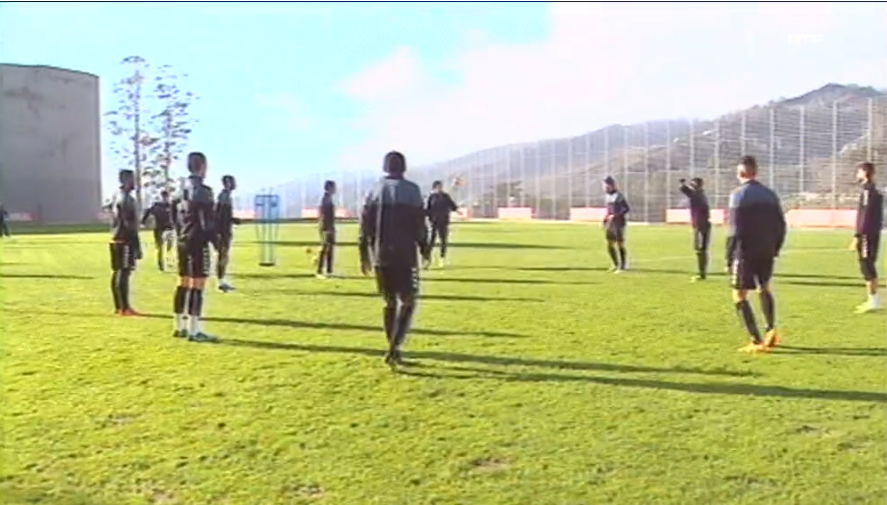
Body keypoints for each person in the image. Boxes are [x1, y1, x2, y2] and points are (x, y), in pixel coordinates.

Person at [359, 151, 431, 368]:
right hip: (405, 255)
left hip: (381, 255)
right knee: (408, 300)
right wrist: (425, 249)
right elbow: (420, 224)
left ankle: (392, 347)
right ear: (404, 167)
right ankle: (394, 347)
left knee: (389, 301)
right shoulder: (412, 191)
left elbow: (365, 226)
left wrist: (364, 254)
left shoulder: (373, 191)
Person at [726, 155, 786, 353]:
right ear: (756, 172)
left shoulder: (738, 195)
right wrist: (775, 248)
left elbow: (734, 230)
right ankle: (771, 329)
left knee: (739, 294)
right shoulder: (770, 194)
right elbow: (781, 225)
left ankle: (755, 340)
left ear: (741, 173)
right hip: (767, 249)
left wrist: (729, 256)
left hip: (744, 251)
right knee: (764, 287)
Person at [173, 152, 218, 342]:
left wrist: (180, 233)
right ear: (202, 167)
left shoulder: (179, 189)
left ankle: (179, 326)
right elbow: (207, 222)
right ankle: (194, 330)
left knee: (183, 282)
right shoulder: (204, 191)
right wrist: (217, 243)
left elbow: (172, 216)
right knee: (198, 284)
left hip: (182, 240)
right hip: (198, 241)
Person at [109, 170, 141, 316]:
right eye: (133, 179)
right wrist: (136, 245)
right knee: (124, 272)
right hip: (125, 239)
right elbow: (130, 224)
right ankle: (125, 307)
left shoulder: (116, 196)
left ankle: (118, 306)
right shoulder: (127, 199)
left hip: (115, 238)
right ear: (127, 180)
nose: (135, 182)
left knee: (117, 271)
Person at [852, 162, 883, 314]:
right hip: (872, 233)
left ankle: (873, 301)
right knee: (868, 265)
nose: (857, 174)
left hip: (867, 235)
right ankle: (873, 300)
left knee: (867, 266)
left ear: (864, 172)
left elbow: (865, 215)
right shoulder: (872, 191)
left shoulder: (868, 191)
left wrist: (858, 236)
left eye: (859, 171)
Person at [679, 177, 711, 281]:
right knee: (701, 250)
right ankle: (702, 273)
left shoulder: (697, 195)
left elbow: (685, 190)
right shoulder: (699, 194)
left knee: (700, 250)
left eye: (693, 184)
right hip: (702, 225)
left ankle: (702, 274)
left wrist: (683, 184)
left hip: (701, 226)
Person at [216, 175, 241, 292]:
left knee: (224, 256)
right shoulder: (224, 196)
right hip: (223, 230)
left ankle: (222, 280)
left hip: (225, 229)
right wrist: (231, 220)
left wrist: (232, 219)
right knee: (223, 255)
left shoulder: (226, 196)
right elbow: (221, 215)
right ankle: (221, 282)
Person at [425, 180, 459, 268]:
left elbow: (453, 206)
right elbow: (427, 209)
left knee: (443, 241)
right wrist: (427, 217)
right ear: (434, 187)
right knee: (431, 241)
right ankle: (427, 259)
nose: (440, 188)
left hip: (443, 222)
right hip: (433, 222)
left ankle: (442, 258)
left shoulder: (445, 196)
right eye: (438, 186)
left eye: (441, 186)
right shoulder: (431, 197)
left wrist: (457, 210)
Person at [141, 190, 176, 271]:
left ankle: (167, 259)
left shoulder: (171, 205)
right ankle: (161, 264)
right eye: (164, 197)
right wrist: (143, 221)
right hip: (159, 229)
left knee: (170, 245)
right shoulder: (156, 205)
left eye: (166, 197)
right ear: (162, 197)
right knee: (160, 247)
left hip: (169, 228)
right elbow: (147, 212)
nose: (165, 198)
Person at [602, 176, 630, 272]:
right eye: (604, 185)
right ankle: (615, 264)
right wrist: (606, 217)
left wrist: (616, 215)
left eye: (606, 185)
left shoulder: (619, 195)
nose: (605, 187)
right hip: (610, 223)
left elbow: (626, 208)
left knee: (620, 243)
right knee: (609, 243)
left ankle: (623, 266)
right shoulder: (607, 196)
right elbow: (608, 210)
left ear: (612, 185)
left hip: (619, 223)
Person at [315, 180, 337, 279]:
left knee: (330, 249)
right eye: (334, 187)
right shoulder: (325, 199)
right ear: (329, 188)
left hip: (330, 227)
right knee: (324, 248)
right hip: (326, 227)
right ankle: (319, 271)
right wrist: (327, 228)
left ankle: (329, 270)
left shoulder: (329, 198)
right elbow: (324, 215)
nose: (335, 189)